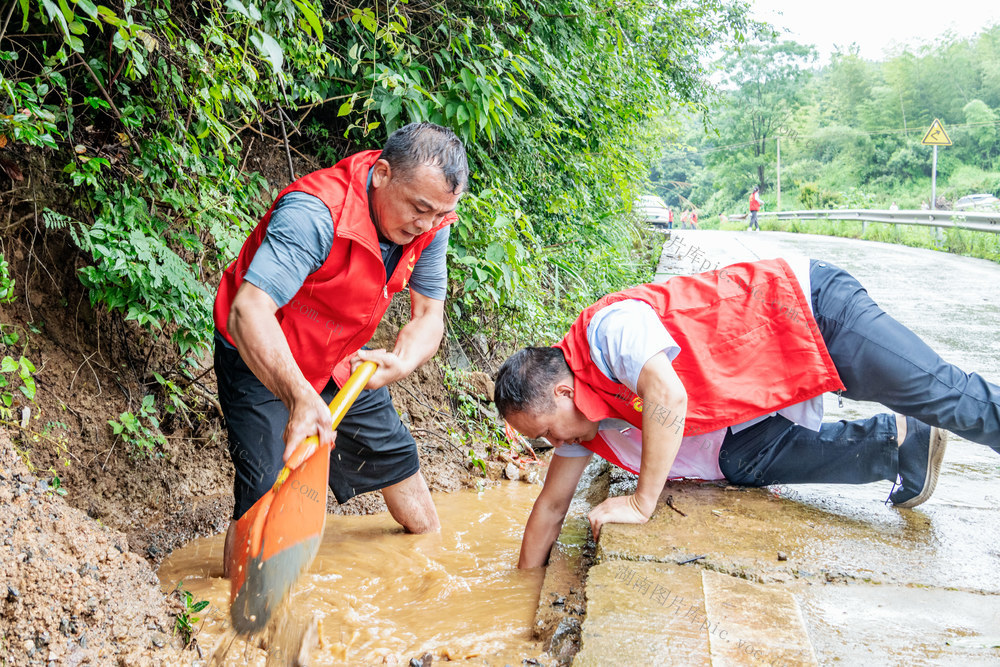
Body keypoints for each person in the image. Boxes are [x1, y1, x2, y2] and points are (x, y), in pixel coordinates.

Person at [494, 258, 1000, 568]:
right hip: (767, 381)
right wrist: (520, 587)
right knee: (740, 460)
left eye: (545, 433)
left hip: (811, 310)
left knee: (947, 396)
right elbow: (550, 507)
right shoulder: (584, 423)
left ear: (562, 393)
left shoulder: (609, 332)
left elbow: (668, 397)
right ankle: (898, 443)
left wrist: (643, 503)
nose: (553, 444)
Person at [214, 123, 468, 571]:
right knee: (265, 492)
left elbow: (430, 316)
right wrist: (298, 396)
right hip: (264, 353)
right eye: (420, 209)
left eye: (439, 214)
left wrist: (402, 361)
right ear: (383, 173)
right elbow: (248, 312)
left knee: (399, 460)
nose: (427, 225)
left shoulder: (432, 222)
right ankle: (232, 616)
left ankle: (430, 581)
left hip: (339, 358)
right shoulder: (314, 213)